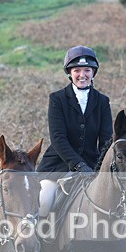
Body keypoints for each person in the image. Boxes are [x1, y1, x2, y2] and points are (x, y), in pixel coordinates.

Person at [37, 45, 112, 216]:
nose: (82, 75)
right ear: (69, 73)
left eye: (87, 70)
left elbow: (106, 140)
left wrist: (100, 168)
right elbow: (58, 138)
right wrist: (79, 165)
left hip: (92, 166)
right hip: (59, 166)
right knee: (43, 201)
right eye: (77, 70)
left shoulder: (102, 101)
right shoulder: (57, 99)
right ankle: (40, 240)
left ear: (93, 73)